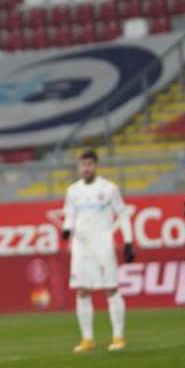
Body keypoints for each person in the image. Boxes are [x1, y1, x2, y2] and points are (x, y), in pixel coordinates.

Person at [60, 149, 135, 352]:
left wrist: (128, 241)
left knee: (110, 288)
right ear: (79, 167)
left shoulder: (108, 188)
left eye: (90, 164)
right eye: (83, 165)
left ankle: (118, 336)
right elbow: (69, 212)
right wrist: (67, 228)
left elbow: (122, 213)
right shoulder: (73, 190)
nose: (86, 168)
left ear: (96, 165)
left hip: (102, 243)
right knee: (82, 290)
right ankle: (87, 339)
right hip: (81, 246)